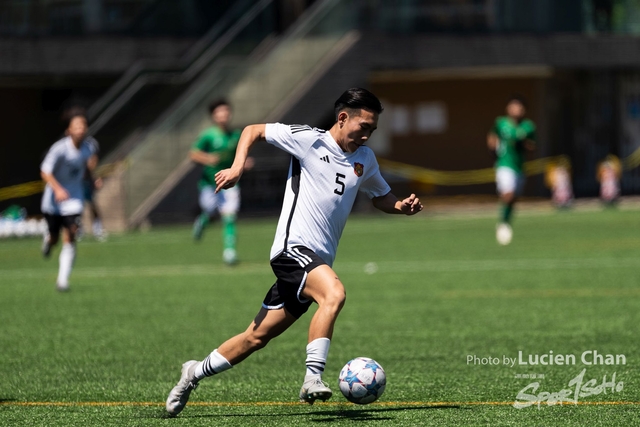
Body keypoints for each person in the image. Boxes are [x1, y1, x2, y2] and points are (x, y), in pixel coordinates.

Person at [165, 88, 423, 416]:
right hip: (293, 249)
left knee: (255, 338)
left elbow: (379, 196)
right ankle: (312, 378)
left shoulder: (365, 159)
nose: (367, 135)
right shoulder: (309, 140)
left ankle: (193, 373)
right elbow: (253, 131)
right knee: (334, 295)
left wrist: (401, 206)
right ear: (343, 118)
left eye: (372, 130)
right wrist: (237, 167)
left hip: (317, 261)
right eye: (364, 127)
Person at [40, 112, 97, 291]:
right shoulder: (59, 149)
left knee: (72, 233)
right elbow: (45, 172)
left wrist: (93, 179)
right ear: (68, 130)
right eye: (77, 126)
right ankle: (48, 242)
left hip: (74, 198)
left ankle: (62, 280)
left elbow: (85, 169)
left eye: (83, 125)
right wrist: (57, 189)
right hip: (54, 200)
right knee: (54, 238)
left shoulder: (89, 147)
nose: (81, 129)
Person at [191, 99, 250, 265]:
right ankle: (202, 221)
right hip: (209, 183)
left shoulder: (236, 135)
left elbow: (239, 156)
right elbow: (193, 154)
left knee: (229, 216)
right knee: (210, 211)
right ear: (213, 116)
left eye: (226, 111)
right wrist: (208, 158)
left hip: (230, 183)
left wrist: (244, 164)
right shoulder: (208, 135)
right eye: (219, 112)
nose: (223, 115)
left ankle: (229, 252)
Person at [487, 95, 536, 245]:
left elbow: (532, 146)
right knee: (508, 194)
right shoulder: (501, 123)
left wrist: (522, 142)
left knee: (514, 198)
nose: (517, 110)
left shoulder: (528, 126)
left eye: (520, 107)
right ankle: (502, 224)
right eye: (514, 106)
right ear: (508, 108)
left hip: (519, 166)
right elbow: (492, 136)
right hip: (504, 164)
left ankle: (506, 221)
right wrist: (493, 148)